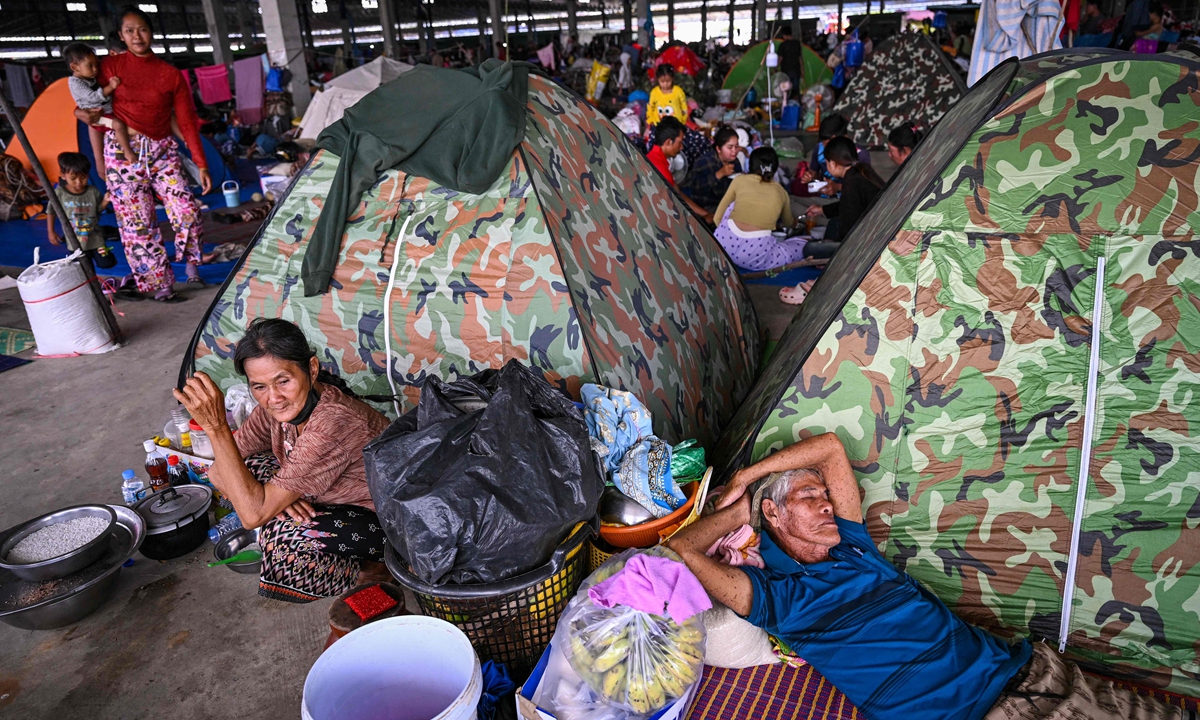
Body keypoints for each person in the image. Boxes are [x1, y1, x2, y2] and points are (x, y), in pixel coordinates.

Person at [668, 433, 1186, 720]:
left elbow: (828, 448)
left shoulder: (856, 550)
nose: (827, 503)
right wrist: (745, 513)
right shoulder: (778, 598)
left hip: (1035, 674)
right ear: (776, 518)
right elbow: (682, 549)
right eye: (809, 497)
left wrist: (747, 476)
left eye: (825, 495)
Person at [174, 318, 392, 603]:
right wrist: (275, 503)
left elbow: (252, 518)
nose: (273, 397)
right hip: (335, 502)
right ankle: (281, 504)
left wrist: (216, 427)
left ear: (311, 369)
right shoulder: (275, 409)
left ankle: (379, 566)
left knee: (284, 538)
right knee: (246, 473)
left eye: (283, 381)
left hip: (391, 525)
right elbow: (217, 472)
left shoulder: (334, 422)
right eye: (259, 387)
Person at [74, 6, 211, 302]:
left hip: (162, 150)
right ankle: (159, 284)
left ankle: (191, 266)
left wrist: (200, 162)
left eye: (143, 29)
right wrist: (98, 161)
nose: (137, 36)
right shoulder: (108, 67)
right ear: (121, 36)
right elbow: (93, 115)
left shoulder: (170, 75)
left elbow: (186, 121)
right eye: (129, 30)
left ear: (151, 32)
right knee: (138, 223)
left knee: (187, 209)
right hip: (120, 153)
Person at [712, 147, 804, 272]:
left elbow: (717, 218)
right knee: (799, 246)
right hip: (754, 257)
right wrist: (795, 223)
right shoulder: (780, 192)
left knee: (734, 204)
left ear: (750, 166)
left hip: (721, 249)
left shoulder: (739, 180)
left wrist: (730, 238)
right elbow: (788, 223)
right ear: (775, 169)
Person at [63, 43, 134, 177]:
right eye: (90, 66)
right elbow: (93, 101)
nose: (95, 69)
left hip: (106, 116)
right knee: (118, 125)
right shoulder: (77, 83)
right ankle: (127, 150)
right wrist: (111, 86)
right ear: (74, 67)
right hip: (101, 118)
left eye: (96, 64)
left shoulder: (89, 77)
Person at [803, 136, 884, 244]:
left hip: (868, 240)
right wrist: (821, 209)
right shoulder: (860, 172)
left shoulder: (851, 183)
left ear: (832, 164)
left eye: (827, 162)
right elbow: (847, 205)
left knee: (809, 248)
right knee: (833, 222)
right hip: (875, 229)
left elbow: (849, 227)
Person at [46, 152, 117, 269]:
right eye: (73, 178)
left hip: (95, 238)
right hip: (74, 241)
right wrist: (51, 232)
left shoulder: (93, 192)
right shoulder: (59, 193)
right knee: (84, 268)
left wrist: (105, 201)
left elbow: (97, 210)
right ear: (63, 175)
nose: (79, 182)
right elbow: (51, 212)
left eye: (83, 177)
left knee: (106, 262)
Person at [646, 118, 715, 222]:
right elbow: (676, 203)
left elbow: (678, 192)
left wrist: (705, 214)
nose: (682, 147)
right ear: (669, 142)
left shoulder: (653, 158)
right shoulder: (659, 169)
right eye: (680, 142)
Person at [681, 125, 740, 210]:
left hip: (726, 204)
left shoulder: (735, 161)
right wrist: (720, 174)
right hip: (705, 206)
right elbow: (697, 188)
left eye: (736, 146)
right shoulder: (705, 162)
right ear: (718, 149)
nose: (734, 151)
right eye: (730, 147)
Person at [777, 26, 803, 92]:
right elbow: (800, 58)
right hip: (796, 70)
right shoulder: (797, 44)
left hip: (786, 70)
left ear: (784, 35)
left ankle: (787, 101)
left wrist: (776, 68)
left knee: (786, 89)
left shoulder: (782, 45)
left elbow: (780, 58)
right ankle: (796, 101)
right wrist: (802, 70)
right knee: (795, 89)